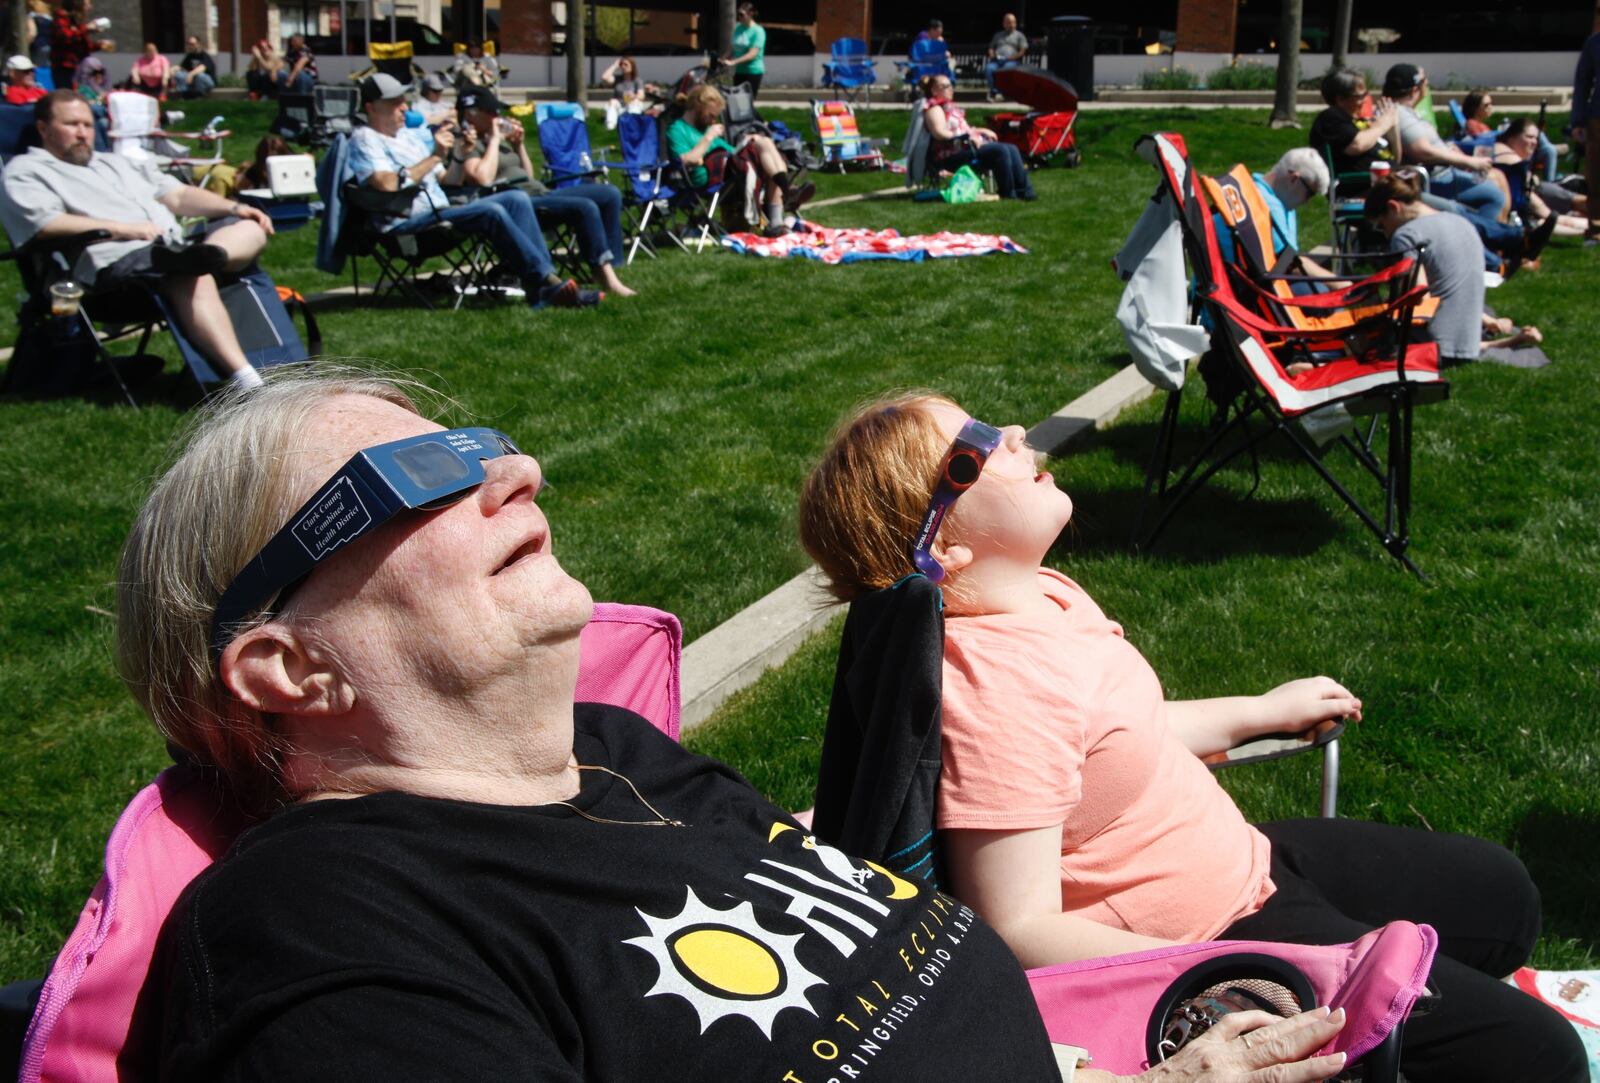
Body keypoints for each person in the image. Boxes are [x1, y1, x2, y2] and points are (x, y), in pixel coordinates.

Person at [126, 367, 1353, 1083]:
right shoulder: (315, 927)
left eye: (482, 448)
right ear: (288, 667)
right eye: (412, 483)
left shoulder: (619, 758)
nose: (519, 473)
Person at [796, 392, 1588, 1083]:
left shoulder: (1041, 596)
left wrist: (1259, 708)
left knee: (1506, 897)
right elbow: (1019, 924)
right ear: (944, 547)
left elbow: (1119, 734)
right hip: (1214, 941)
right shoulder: (1000, 687)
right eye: (973, 447)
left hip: (1248, 859)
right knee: (1542, 1055)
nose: (1007, 429)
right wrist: (1233, 973)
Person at [0, 90, 276, 390]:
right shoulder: (26, 172)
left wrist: (234, 207)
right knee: (190, 275)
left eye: (88, 125)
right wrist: (124, 229)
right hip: (115, 267)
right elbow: (46, 224)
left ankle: (214, 254)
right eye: (72, 125)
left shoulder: (117, 163)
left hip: (172, 246)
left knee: (248, 226)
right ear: (43, 128)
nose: (83, 133)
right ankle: (248, 380)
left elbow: (178, 194)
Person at [349, 73, 600, 309]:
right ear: (371, 107)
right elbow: (385, 184)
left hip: (440, 211)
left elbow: (449, 180)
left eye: (403, 100)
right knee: (491, 210)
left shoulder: (408, 138)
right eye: (394, 102)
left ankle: (543, 284)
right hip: (409, 225)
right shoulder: (365, 138)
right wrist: (435, 156)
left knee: (516, 198)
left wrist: (458, 153)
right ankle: (547, 285)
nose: (404, 107)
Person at [447, 87, 635, 297]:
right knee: (585, 207)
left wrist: (518, 146)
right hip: (516, 204)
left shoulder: (496, 139)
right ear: (472, 114)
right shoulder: (469, 144)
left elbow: (528, 176)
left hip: (539, 193)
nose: (497, 116)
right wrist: (494, 141)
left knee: (609, 193)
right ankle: (606, 276)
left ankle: (613, 264)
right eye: (492, 112)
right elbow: (482, 179)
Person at [1365, 169, 1542, 364]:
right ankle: (1502, 342)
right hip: (1469, 333)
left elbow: (1418, 296)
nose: (1385, 233)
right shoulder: (1460, 222)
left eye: (1382, 225)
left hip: (1436, 344)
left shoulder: (1407, 235)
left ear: (1393, 207)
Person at [668, 83, 813, 236]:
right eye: (710, 115)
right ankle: (784, 199)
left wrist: (747, 141)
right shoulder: (677, 129)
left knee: (762, 142)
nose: (713, 121)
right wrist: (709, 137)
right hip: (708, 179)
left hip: (727, 170)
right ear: (698, 106)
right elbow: (686, 160)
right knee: (761, 147)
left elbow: (731, 151)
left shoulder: (704, 127)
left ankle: (780, 209)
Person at [1383, 64, 1503, 220]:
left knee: (1495, 182)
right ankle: (1487, 238)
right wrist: (1469, 161)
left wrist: (1448, 148)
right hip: (1436, 179)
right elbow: (1421, 150)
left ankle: (1497, 234)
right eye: (1425, 81)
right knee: (1494, 196)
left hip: (1442, 174)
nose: (1427, 85)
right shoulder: (1401, 113)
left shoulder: (1407, 112)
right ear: (1415, 89)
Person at [1211, 147, 1335, 281]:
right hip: (1244, 289)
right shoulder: (1265, 207)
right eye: (1309, 194)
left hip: (1248, 283)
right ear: (1293, 179)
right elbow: (1288, 262)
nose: (1307, 202)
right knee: (1318, 291)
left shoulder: (1260, 191)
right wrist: (1339, 282)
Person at [919, 73, 1036, 200]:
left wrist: (982, 130)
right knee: (1000, 151)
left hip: (965, 148)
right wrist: (966, 136)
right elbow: (939, 133)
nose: (951, 88)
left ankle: (1026, 192)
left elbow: (964, 129)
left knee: (1011, 148)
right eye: (945, 86)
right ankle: (1008, 193)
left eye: (951, 85)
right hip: (950, 156)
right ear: (934, 90)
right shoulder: (934, 109)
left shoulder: (949, 107)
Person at [1308, 68, 1397, 184]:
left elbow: (1396, 157)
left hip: (1392, 182)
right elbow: (1357, 145)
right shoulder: (1331, 118)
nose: (1365, 99)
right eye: (1360, 96)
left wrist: (1393, 126)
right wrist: (1382, 125)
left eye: (1366, 94)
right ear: (1340, 99)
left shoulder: (1363, 123)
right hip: (1364, 189)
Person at [1461, 86, 1560, 183]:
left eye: (1491, 103)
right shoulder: (1472, 124)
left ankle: (1548, 148)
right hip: (1506, 157)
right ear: (1475, 108)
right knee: (1546, 147)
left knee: (1546, 146)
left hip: (1512, 153)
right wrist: (1504, 133)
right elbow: (1484, 144)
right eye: (1486, 105)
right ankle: (1551, 182)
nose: (1490, 107)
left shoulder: (1480, 125)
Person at [1570, 30, 1600, 243]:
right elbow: (1582, 82)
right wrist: (1578, 121)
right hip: (1598, 118)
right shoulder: (1594, 43)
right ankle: (1596, 228)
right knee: (1597, 176)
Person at [49, 0, 111, 97]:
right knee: (68, 98)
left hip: (79, 67)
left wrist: (99, 45)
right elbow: (66, 37)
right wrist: (86, 29)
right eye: (87, 3)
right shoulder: (60, 19)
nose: (90, 7)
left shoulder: (76, 22)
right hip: (65, 68)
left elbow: (83, 46)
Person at [725, 1, 765, 98]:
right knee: (736, 101)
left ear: (750, 14)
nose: (739, 17)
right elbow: (733, 47)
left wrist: (734, 62)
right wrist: (724, 58)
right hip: (739, 71)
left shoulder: (758, 31)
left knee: (746, 103)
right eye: (738, 14)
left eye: (741, 14)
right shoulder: (738, 28)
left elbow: (752, 54)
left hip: (752, 72)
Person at [985, 12, 1027, 102]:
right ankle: (996, 92)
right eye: (1009, 22)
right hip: (997, 60)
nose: (1011, 24)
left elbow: (1023, 50)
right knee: (989, 68)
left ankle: (1000, 93)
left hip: (1012, 61)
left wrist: (1012, 58)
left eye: (1013, 22)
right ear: (1004, 24)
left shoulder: (1019, 36)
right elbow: (991, 48)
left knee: (1006, 69)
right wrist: (992, 54)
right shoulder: (997, 35)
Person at [173, 34, 215, 98]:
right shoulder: (190, 56)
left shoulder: (204, 55)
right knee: (179, 74)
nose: (190, 46)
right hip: (194, 81)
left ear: (198, 44)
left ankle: (200, 95)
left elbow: (202, 67)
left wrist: (191, 74)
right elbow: (181, 66)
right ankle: (184, 94)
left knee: (200, 75)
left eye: (192, 44)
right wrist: (172, 69)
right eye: (188, 44)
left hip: (208, 82)